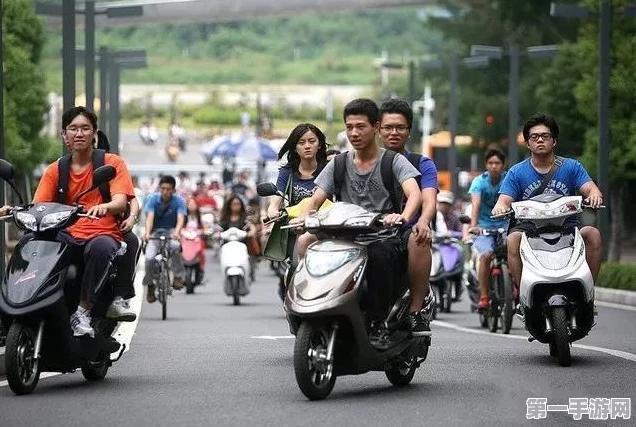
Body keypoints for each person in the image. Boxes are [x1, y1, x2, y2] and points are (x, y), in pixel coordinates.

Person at [294, 98, 427, 341]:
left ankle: (378, 321)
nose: (354, 133)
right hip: (342, 236)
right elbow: (315, 200)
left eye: (360, 126)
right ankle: (303, 305)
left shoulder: (393, 161)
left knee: (378, 254)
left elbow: (415, 194)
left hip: (382, 236)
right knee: (304, 242)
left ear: (376, 127)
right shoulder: (339, 163)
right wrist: (305, 216)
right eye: (349, 127)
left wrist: (403, 217)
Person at [33, 106, 136, 337]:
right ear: (64, 134)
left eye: (85, 128)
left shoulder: (112, 163)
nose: (79, 134)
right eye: (73, 129)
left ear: (94, 133)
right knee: (31, 242)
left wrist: (105, 207)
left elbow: (121, 201)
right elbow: (39, 206)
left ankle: (83, 311)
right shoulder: (55, 169)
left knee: (101, 248)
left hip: (102, 232)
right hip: (65, 234)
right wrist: (17, 210)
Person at [492, 113, 603, 296]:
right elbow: (503, 200)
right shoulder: (516, 172)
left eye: (546, 136)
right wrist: (500, 207)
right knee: (512, 239)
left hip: (568, 227)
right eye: (534, 137)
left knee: (592, 234)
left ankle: (587, 293)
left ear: (554, 141)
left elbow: (592, 189)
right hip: (528, 230)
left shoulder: (571, 167)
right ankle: (524, 296)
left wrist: (594, 196)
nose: (540, 140)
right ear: (528, 143)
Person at [378, 99, 438, 329]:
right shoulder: (363, 163)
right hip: (371, 232)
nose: (394, 133)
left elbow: (428, 199)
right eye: (388, 127)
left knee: (419, 237)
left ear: (409, 132)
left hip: (406, 231)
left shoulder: (422, 164)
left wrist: (423, 221)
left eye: (400, 127)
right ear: (378, 130)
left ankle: (416, 308)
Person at [95, 130, 142, 317]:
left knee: (131, 242)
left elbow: (132, 200)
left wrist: (131, 218)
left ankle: (118, 297)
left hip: (111, 226)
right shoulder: (65, 167)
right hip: (75, 227)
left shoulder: (114, 166)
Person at [463, 148, 508, 310]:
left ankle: (516, 288)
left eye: (497, 163)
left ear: (503, 165)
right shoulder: (479, 182)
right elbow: (475, 205)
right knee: (486, 255)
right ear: (486, 165)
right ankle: (483, 295)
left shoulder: (509, 180)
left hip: (505, 225)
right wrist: (473, 226)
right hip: (483, 227)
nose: (494, 166)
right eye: (490, 163)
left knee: (516, 251)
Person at [266, 123, 328, 218]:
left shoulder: (329, 169)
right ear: (295, 148)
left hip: (325, 225)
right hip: (295, 225)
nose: (307, 146)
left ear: (319, 145)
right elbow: (276, 201)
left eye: (312, 141)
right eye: (301, 143)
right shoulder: (287, 172)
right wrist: (273, 211)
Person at [143, 175, 187, 303]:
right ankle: (150, 285)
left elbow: (180, 219)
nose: (165, 191)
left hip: (171, 232)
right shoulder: (152, 199)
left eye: (168, 189)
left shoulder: (178, 201)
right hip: (155, 234)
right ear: (159, 188)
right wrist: (147, 233)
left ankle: (178, 277)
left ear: (173, 190)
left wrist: (177, 233)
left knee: (175, 247)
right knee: (149, 258)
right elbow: (149, 217)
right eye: (163, 188)